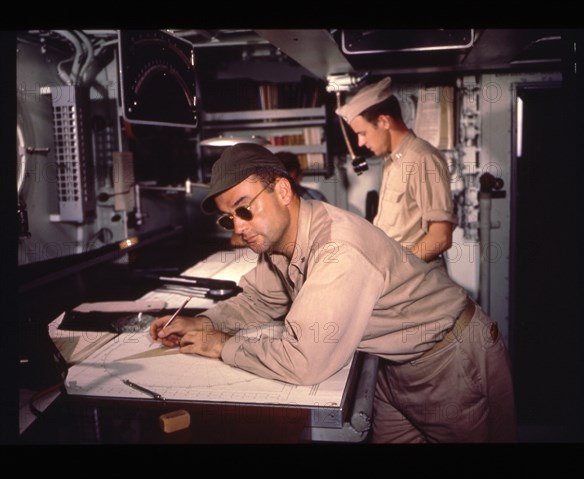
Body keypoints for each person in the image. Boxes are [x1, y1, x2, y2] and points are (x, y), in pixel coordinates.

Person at [149, 143, 516, 443]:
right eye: (230, 219)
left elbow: (305, 361)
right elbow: (259, 299)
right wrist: (203, 321)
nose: (240, 228)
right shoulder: (282, 240)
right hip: (396, 366)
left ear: (282, 189)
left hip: (451, 361)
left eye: (244, 209)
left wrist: (221, 345)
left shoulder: (337, 247)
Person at [336, 76, 456, 263]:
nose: (360, 142)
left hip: (413, 281)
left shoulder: (422, 159)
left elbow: (440, 237)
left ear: (384, 121)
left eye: (362, 133)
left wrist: (399, 270)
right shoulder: (393, 160)